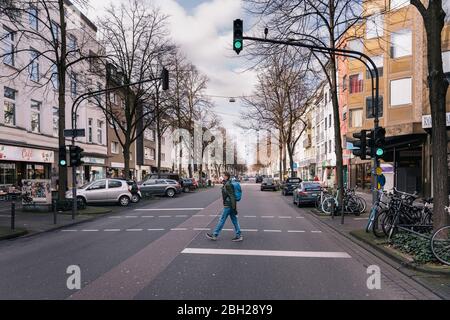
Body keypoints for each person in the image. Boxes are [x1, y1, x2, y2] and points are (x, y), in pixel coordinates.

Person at [206, 172, 243, 242]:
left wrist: (234, 207)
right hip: (230, 204)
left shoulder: (228, 184)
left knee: (222, 219)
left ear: (226, 176)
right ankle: (239, 235)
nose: (222, 177)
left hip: (228, 205)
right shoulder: (227, 183)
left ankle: (215, 235)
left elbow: (232, 196)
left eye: (223, 176)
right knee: (234, 220)